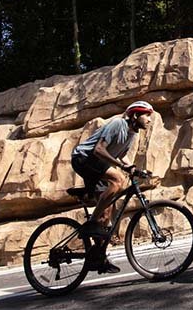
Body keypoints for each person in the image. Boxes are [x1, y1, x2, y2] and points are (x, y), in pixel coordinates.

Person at [70, 100, 154, 273]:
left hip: (98, 166)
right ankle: (91, 223)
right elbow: (99, 150)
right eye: (147, 115)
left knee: (106, 215)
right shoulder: (118, 124)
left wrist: (136, 170)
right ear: (136, 115)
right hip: (84, 158)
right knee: (118, 180)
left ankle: (99, 257)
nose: (149, 120)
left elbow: (123, 157)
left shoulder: (132, 134)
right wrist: (123, 168)